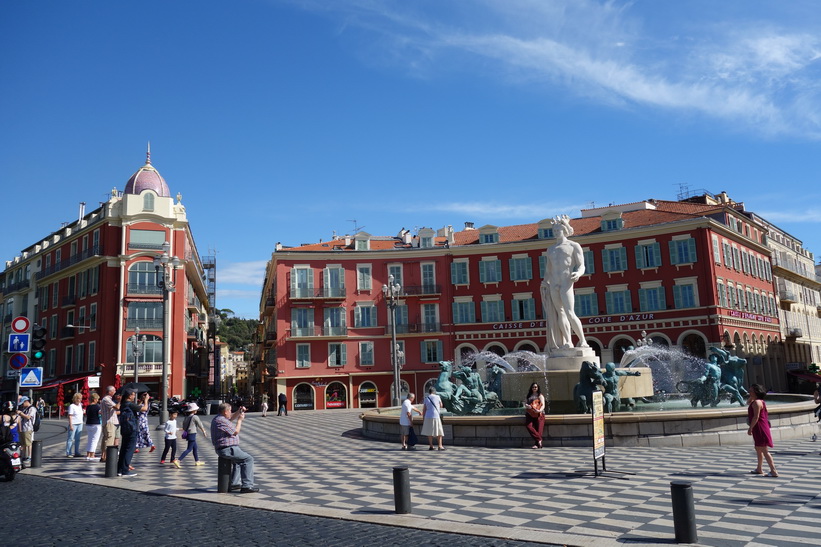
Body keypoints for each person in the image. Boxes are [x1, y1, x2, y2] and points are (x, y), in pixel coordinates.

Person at [540, 214, 588, 351]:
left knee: (570, 312)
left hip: (567, 282)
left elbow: (581, 265)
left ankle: (583, 341)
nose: (555, 233)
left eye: (558, 230)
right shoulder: (550, 249)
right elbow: (548, 270)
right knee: (560, 313)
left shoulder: (574, 246)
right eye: (554, 231)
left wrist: (578, 273)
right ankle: (568, 342)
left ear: (564, 230)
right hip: (554, 283)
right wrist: (544, 283)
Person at [211, 402, 258, 493]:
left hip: (226, 448)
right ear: (225, 412)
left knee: (237, 462)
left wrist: (238, 411)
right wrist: (240, 420)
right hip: (228, 448)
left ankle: (234, 483)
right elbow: (235, 431)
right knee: (248, 459)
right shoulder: (221, 420)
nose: (230, 412)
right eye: (230, 411)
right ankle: (247, 486)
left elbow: (231, 418)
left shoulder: (219, 418)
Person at [747, 384, 778, 477]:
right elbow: (748, 402)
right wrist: (751, 396)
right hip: (760, 427)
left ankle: (773, 470)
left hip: (760, 427)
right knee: (758, 448)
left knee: (764, 449)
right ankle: (759, 468)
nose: (749, 392)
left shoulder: (757, 403)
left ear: (756, 392)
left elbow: (755, 417)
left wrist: (750, 428)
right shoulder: (758, 401)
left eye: (751, 391)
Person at [117, 390, 147, 477]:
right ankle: (125, 471)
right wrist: (146, 401)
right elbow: (144, 409)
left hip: (125, 429)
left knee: (123, 449)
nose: (134, 397)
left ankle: (119, 469)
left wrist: (140, 401)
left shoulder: (123, 404)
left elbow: (135, 407)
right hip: (132, 429)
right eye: (133, 395)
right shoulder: (129, 404)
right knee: (129, 450)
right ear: (129, 396)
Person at [177, 403, 207, 467]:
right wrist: (204, 431)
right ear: (193, 410)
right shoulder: (195, 417)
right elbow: (200, 424)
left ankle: (197, 461)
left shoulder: (187, 417)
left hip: (188, 433)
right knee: (189, 449)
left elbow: (184, 426)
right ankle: (178, 460)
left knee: (195, 448)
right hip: (192, 434)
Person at [421, 387, 445, 451]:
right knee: (439, 431)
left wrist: (423, 419)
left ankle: (431, 446)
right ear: (434, 391)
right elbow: (441, 405)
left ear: (429, 392)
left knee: (429, 432)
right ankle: (440, 445)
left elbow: (424, 409)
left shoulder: (426, 398)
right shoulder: (437, 397)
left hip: (428, 416)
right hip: (436, 416)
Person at [99, 386, 118, 462]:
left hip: (109, 421)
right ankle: (106, 456)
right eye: (114, 390)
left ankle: (104, 455)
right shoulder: (106, 399)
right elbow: (116, 407)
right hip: (109, 422)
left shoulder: (108, 399)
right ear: (109, 391)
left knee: (106, 439)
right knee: (109, 439)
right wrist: (119, 400)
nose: (115, 392)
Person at [524, 383, 546, 449]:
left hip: (539, 414)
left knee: (539, 429)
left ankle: (537, 444)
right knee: (529, 426)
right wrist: (527, 406)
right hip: (530, 414)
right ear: (531, 388)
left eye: (536, 387)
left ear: (538, 388)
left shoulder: (540, 396)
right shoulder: (529, 395)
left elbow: (543, 405)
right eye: (533, 387)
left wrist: (539, 411)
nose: (534, 388)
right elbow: (525, 403)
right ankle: (539, 439)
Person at [17, 396, 36, 461]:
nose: (22, 405)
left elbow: (28, 417)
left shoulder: (32, 408)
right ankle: (24, 455)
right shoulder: (24, 408)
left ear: (26, 401)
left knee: (28, 443)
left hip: (28, 428)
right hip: (22, 428)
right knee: (23, 443)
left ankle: (29, 456)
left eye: (23, 403)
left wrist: (20, 413)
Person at [84, 393, 102, 461]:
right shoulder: (97, 407)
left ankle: (88, 454)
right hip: (96, 424)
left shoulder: (88, 406)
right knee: (95, 440)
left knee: (89, 440)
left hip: (88, 424)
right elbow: (101, 413)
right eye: (97, 399)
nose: (98, 400)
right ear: (94, 399)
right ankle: (92, 455)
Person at [66, 393, 84, 457]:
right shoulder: (72, 406)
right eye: (79, 398)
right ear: (75, 399)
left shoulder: (80, 405)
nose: (80, 400)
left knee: (78, 439)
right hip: (73, 423)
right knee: (70, 438)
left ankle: (77, 452)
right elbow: (70, 416)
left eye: (81, 398)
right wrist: (71, 425)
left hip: (80, 423)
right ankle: (69, 452)